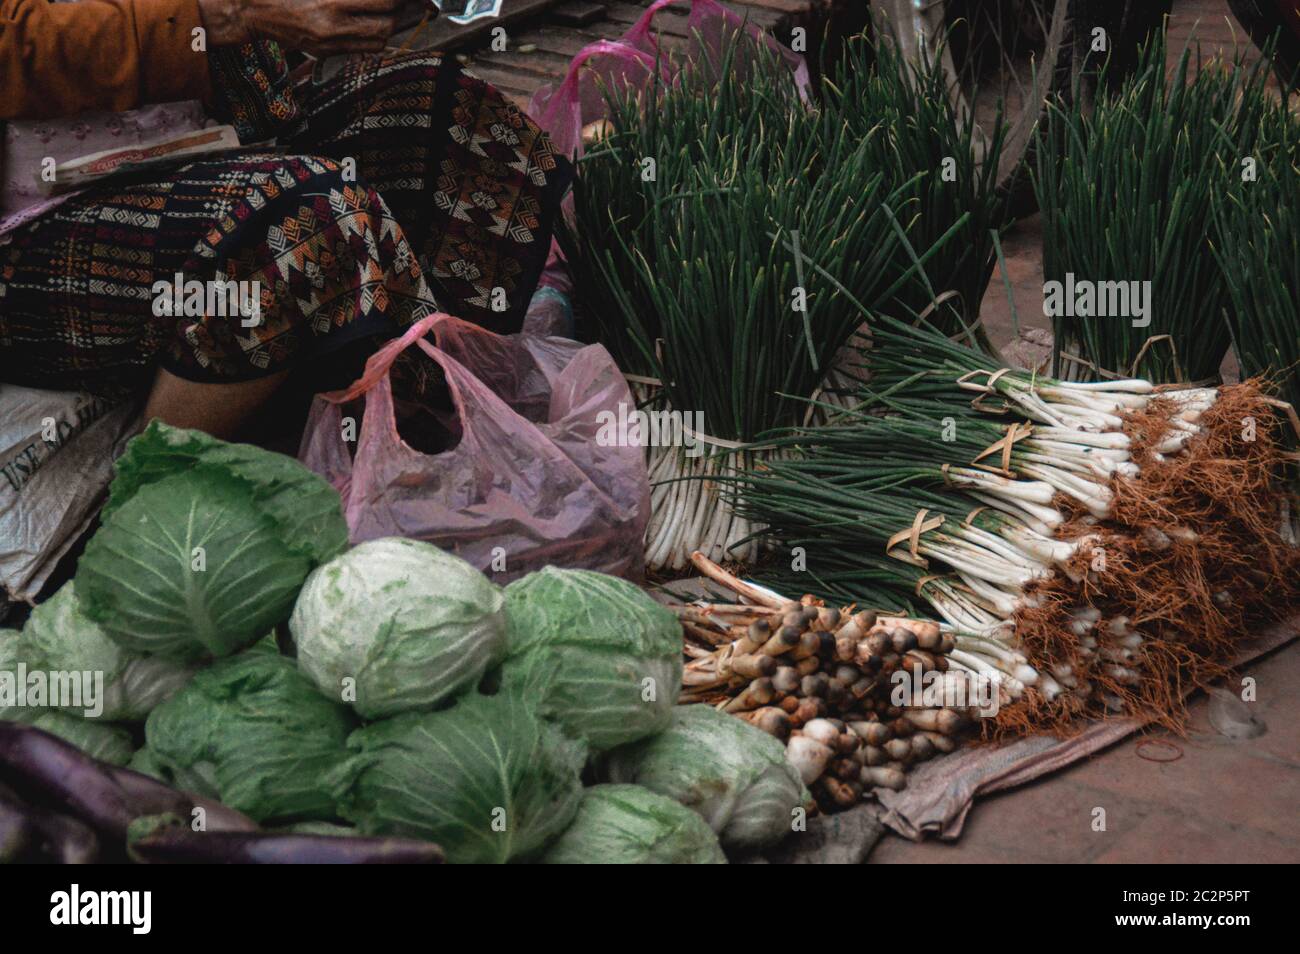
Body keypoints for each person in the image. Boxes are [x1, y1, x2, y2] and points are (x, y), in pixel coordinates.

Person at [0, 0, 572, 438]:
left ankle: (432, 425)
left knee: (454, 117)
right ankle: (152, 490)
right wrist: (232, 13)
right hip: (30, 228)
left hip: (200, 150)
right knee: (312, 226)